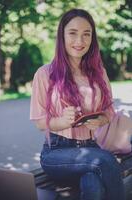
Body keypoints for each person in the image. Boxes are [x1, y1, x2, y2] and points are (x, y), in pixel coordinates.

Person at [30, 8, 132, 200]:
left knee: (93, 185)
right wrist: (62, 121)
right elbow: (39, 122)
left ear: (92, 39)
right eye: (73, 33)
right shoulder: (44, 74)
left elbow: (109, 110)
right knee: (105, 159)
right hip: (57, 153)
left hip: (90, 147)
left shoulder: (99, 72)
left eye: (87, 34)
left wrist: (101, 120)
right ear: (62, 36)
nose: (80, 41)